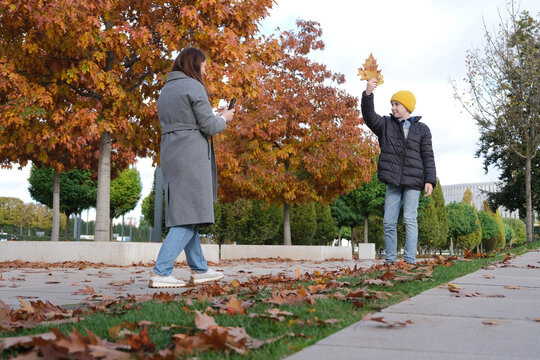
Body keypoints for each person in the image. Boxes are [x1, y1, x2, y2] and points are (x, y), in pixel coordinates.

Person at [149, 47, 235, 288]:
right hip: (191, 156)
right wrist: (224, 118)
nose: (205, 71)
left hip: (172, 153)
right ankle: (161, 271)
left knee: (188, 212)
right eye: (204, 66)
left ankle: (200, 269)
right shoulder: (194, 86)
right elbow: (209, 127)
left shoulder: (166, 90)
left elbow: (189, 120)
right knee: (188, 217)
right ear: (194, 64)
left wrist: (212, 117)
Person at [361, 77, 436, 264]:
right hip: (393, 181)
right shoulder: (385, 125)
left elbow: (428, 156)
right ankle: (390, 261)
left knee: (410, 220)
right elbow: (369, 116)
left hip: (414, 181)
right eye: (392, 104)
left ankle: (409, 261)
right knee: (388, 222)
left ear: (407, 107)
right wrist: (368, 93)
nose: (393, 107)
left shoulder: (422, 129)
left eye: (396, 104)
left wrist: (430, 180)